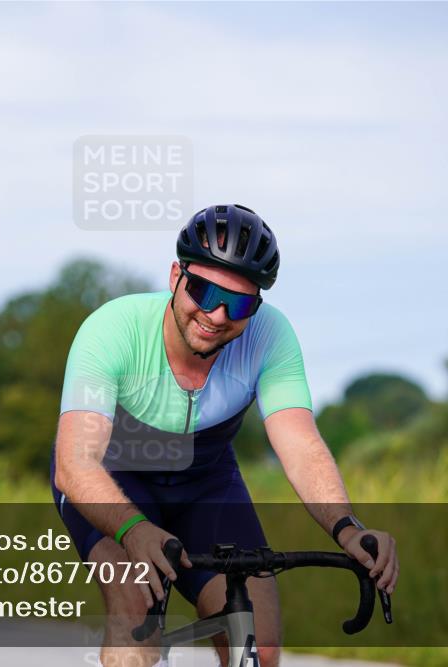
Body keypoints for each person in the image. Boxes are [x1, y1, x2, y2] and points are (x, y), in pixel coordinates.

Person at [51, 204, 399, 667]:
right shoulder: (113, 330)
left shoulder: (271, 337)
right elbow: (75, 464)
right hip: (115, 479)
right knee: (136, 613)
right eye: (203, 290)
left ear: (256, 308)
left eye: (238, 304)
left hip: (206, 482)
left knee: (259, 645)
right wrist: (133, 530)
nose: (216, 314)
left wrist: (347, 527)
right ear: (175, 276)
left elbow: (300, 445)